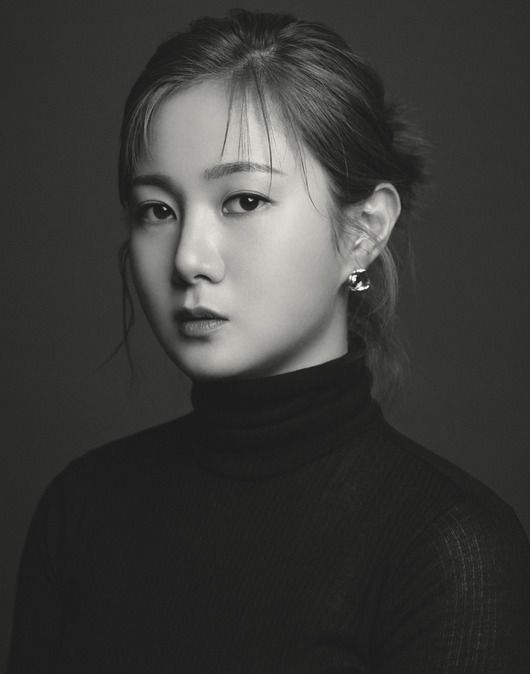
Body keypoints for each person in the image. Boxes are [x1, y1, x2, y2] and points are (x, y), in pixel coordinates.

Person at [7, 8, 530, 673]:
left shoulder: (450, 548)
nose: (189, 259)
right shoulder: (80, 511)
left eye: (244, 201)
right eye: (157, 210)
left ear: (363, 231)